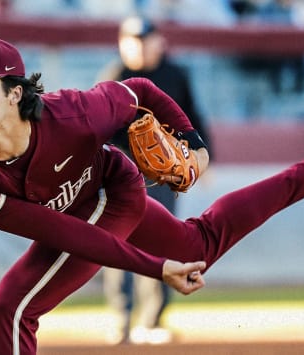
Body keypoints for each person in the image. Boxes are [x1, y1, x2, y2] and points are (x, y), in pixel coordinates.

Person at [0, 35, 304, 355]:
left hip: (112, 186)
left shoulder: (78, 113)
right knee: (197, 247)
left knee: (11, 308)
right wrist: (156, 266)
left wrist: (194, 143)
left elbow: (141, 91)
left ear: (16, 92)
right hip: (81, 213)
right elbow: (60, 230)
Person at [98, 15, 212, 345]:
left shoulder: (175, 74)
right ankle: (121, 320)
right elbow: (100, 131)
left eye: (143, 40)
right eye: (131, 41)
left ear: (158, 41)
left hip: (164, 176)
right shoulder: (114, 77)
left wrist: (206, 158)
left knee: (163, 241)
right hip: (121, 175)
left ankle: (152, 320)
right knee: (117, 244)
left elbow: (194, 117)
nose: (138, 47)